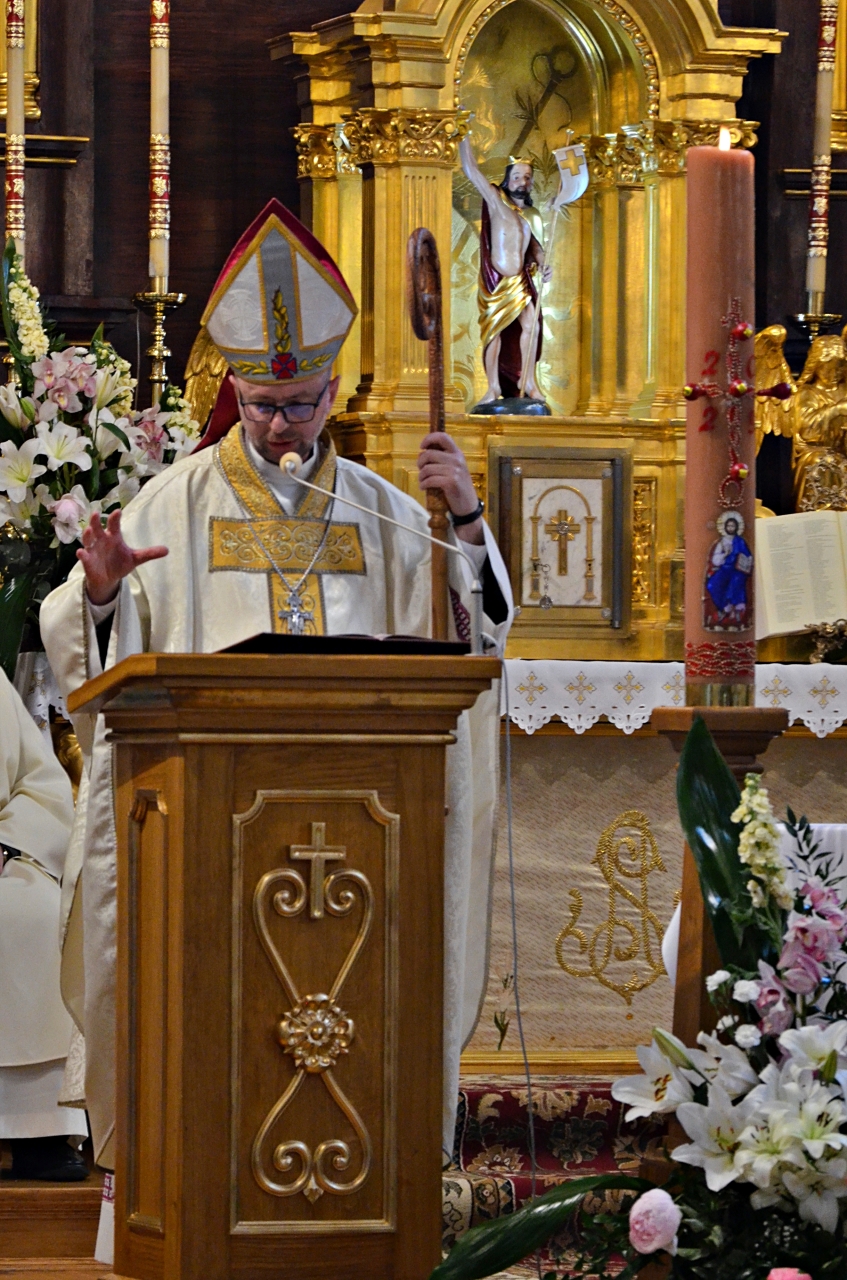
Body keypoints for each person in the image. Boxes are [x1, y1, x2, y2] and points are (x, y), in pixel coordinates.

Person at [40, 199, 513, 1174]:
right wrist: (100, 593)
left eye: (298, 404)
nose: (278, 425)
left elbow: (475, 639)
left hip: (364, 834)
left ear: (333, 389)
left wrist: (466, 519)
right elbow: (90, 657)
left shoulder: (390, 513)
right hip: (213, 841)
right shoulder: (172, 504)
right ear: (234, 389)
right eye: (260, 404)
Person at [0, 669, 88, 1180]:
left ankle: (41, 1131)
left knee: (32, 914)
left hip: (6, 852)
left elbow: (41, 786)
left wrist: (9, 845)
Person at [459, 137, 548, 403]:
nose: (523, 182)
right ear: (508, 180)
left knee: (532, 326)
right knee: (494, 334)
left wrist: (545, 265)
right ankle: (493, 387)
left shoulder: (531, 216)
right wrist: (463, 135)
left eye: (527, 178)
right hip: (497, 282)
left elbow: (536, 249)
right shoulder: (497, 202)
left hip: (519, 282)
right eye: (517, 177)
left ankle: (528, 381)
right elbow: (471, 171)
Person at [704, 511, 753, 630]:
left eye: (733, 526)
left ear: (736, 527)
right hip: (724, 568)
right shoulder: (721, 542)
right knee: (712, 584)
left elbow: (748, 556)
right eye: (729, 526)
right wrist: (725, 554)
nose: (731, 528)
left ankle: (735, 614)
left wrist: (745, 561)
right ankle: (724, 607)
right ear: (725, 527)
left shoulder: (740, 541)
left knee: (735, 583)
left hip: (738, 570)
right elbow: (715, 560)